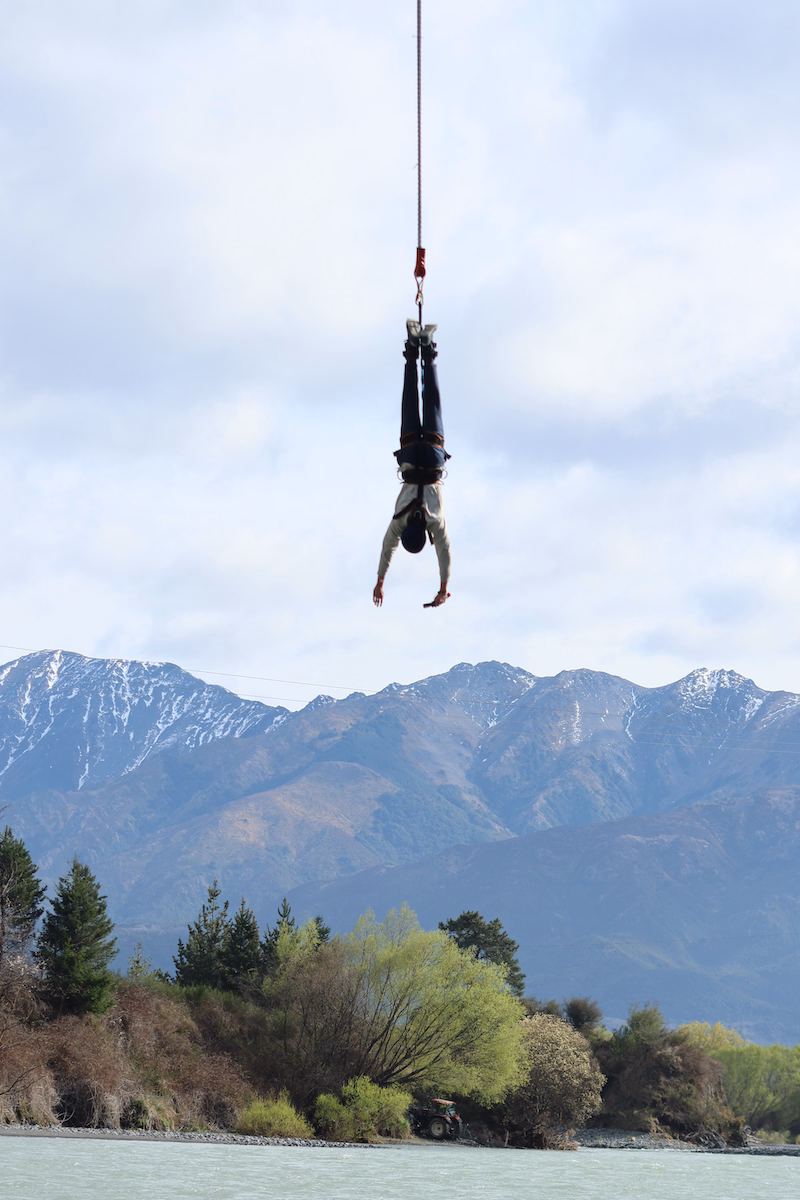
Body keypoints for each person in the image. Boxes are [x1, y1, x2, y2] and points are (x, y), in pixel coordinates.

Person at [373, 319, 451, 608]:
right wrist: (380, 580)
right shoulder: (399, 522)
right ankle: (412, 345)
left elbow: (445, 554)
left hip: (431, 459)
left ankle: (427, 347)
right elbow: (386, 550)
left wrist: (443, 587)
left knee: (431, 402)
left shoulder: (436, 523)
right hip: (410, 458)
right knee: (410, 399)